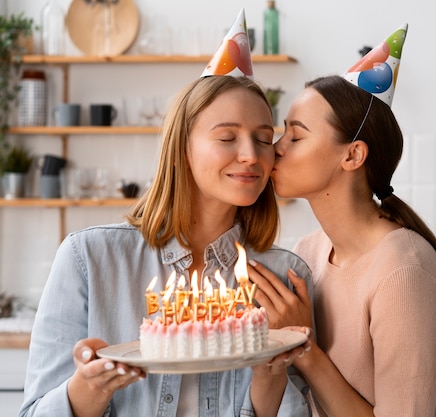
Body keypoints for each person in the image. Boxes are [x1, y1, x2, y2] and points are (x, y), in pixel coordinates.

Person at [19, 10, 313, 417]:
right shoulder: (89, 259)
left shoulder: (282, 278)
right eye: (227, 137)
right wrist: (86, 390)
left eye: (264, 139)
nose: (251, 156)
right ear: (183, 147)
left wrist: (271, 374)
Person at [247, 24, 436, 417]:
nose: (277, 148)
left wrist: (305, 348)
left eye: (296, 136)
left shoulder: (404, 271)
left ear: (353, 155)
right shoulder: (309, 252)